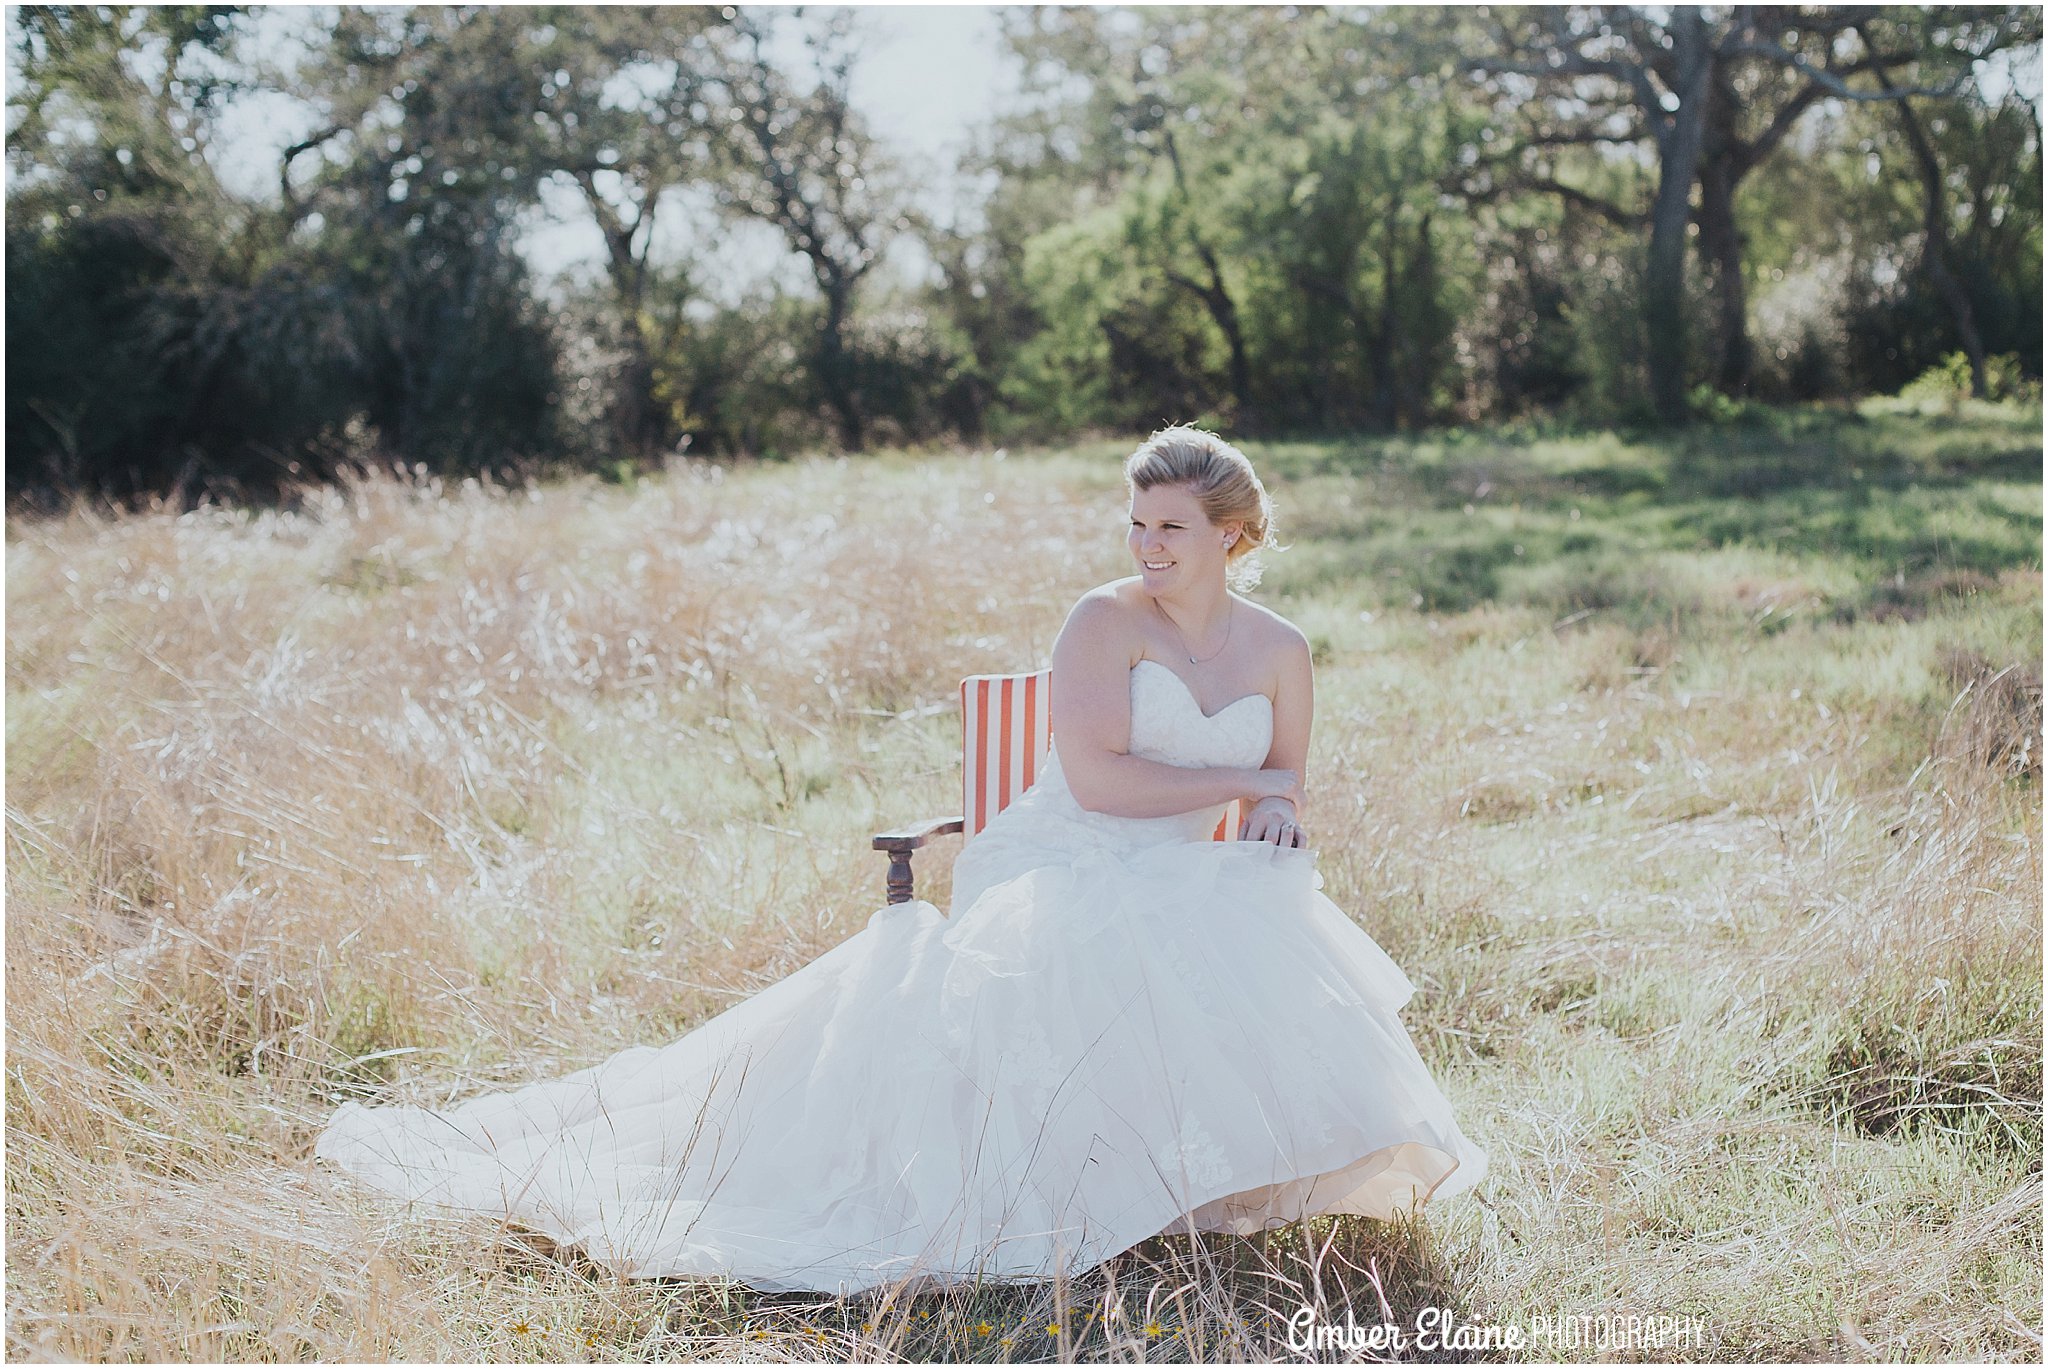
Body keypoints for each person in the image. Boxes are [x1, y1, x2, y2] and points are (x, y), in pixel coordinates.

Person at [315, 424, 1489, 1296]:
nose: (1146, 546)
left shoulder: (1281, 649)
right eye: (1134, 524)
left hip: (1182, 866)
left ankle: (1223, 1180)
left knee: (1261, 922)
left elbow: (1293, 784)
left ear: (1232, 535)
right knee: (1120, 931)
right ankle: (1070, 1191)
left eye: (1170, 528)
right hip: (1063, 855)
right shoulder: (1101, 622)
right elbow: (1102, 784)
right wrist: (1250, 787)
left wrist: (1279, 819)